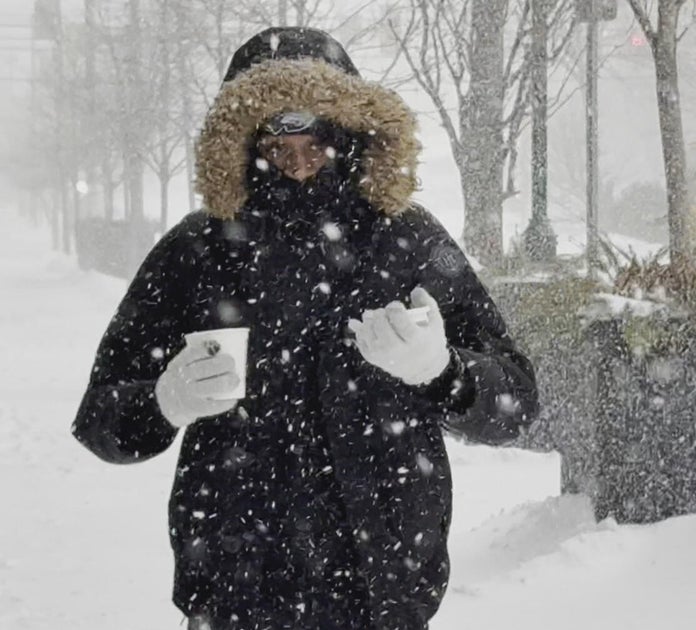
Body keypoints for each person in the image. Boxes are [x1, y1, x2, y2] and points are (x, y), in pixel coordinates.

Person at [71, 27, 539, 630]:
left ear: (348, 130)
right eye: (277, 137)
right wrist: (162, 402)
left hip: (383, 598)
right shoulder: (197, 249)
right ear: (241, 141)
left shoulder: (407, 240)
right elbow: (100, 419)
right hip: (235, 595)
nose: (298, 161)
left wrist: (444, 372)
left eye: (317, 135)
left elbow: (518, 402)